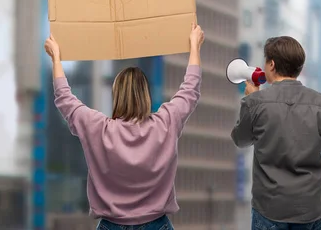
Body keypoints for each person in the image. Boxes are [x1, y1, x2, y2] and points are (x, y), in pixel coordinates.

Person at [43, 23, 205, 230]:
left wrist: (56, 57)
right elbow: (190, 89)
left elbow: (64, 98)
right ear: (145, 96)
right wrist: (194, 47)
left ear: (116, 96)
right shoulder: (166, 123)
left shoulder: (98, 129)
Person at [231, 36, 321, 230]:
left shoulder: (256, 102)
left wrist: (249, 101)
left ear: (272, 64)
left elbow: (240, 140)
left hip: (268, 209)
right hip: (309, 209)